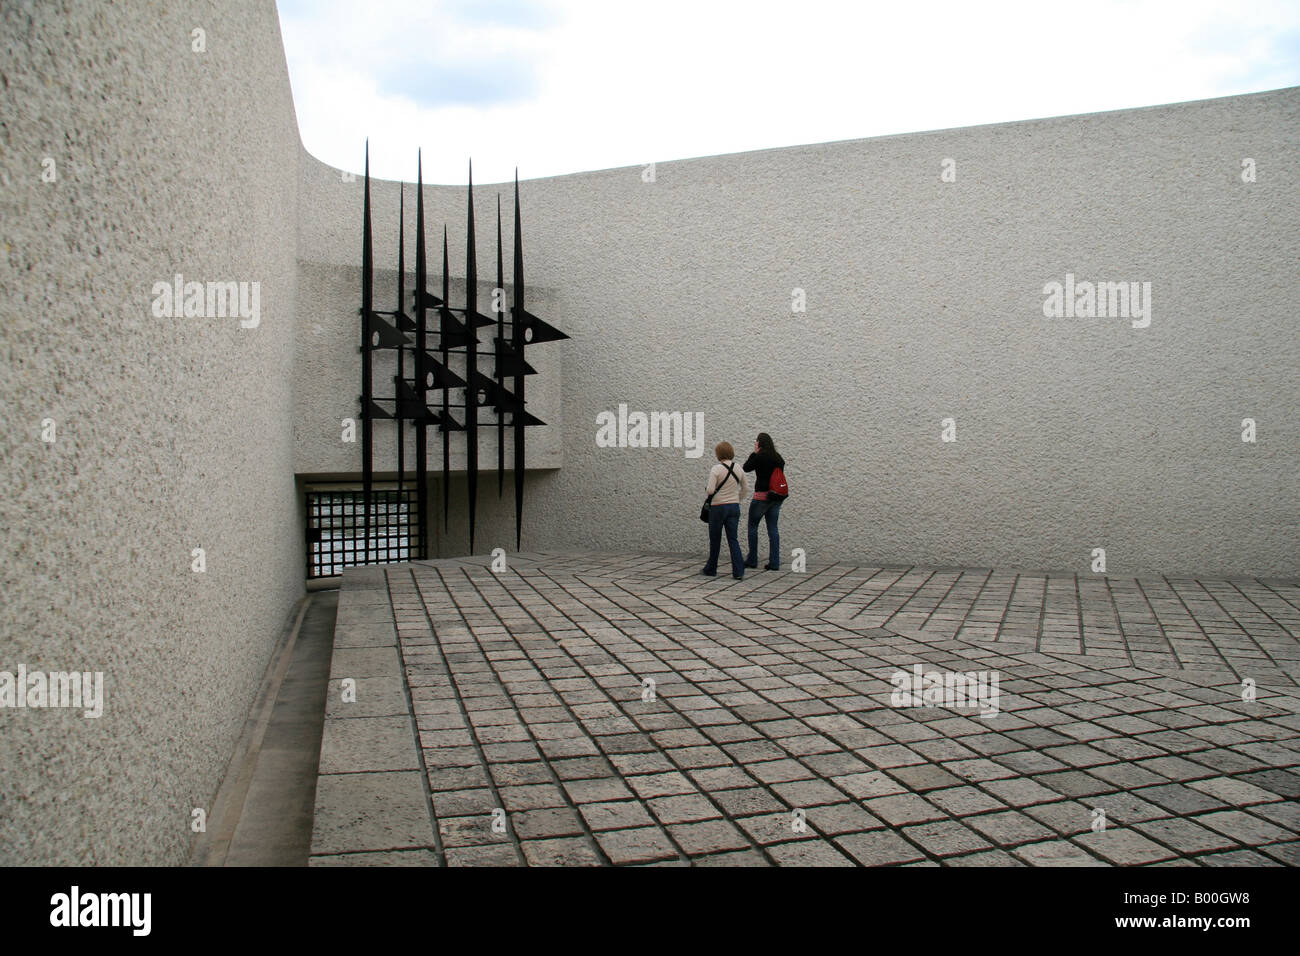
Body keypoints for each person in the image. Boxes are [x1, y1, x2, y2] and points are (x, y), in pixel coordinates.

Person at [702, 441, 747, 579]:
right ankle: (738, 571)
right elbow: (746, 488)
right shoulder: (738, 468)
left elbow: (710, 490)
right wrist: (737, 498)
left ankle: (711, 568)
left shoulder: (716, 469)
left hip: (718, 508)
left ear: (718, 454)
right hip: (734, 507)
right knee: (733, 539)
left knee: (715, 539)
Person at [743, 432, 785, 570]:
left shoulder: (760, 457)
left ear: (759, 443)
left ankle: (752, 559)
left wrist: (754, 453)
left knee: (753, 527)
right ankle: (774, 562)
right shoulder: (778, 458)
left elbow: (746, 467)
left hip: (761, 496)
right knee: (773, 529)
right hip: (776, 497)